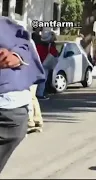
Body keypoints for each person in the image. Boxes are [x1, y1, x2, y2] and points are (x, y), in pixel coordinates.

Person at [0, 17, 45, 173]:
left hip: (12, 106)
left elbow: (24, 46)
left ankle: (35, 120)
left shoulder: (8, 26)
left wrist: (17, 57)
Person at [35, 31, 59, 100]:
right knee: (43, 80)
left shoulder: (38, 44)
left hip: (38, 63)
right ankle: (40, 94)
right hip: (45, 64)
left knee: (38, 80)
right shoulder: (50, 45)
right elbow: (54, 53)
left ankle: (36, 93)